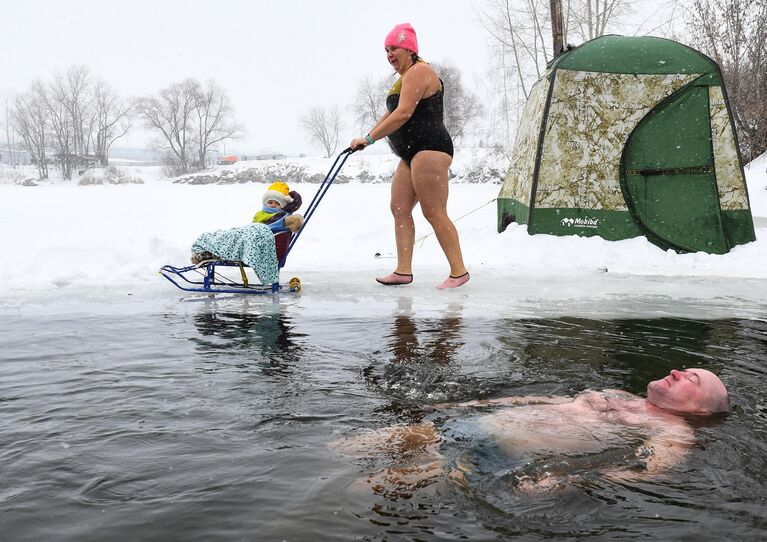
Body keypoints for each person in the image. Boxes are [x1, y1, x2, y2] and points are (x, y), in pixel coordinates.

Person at [331, 368, 729, 497]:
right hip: (471, 425)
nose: (676, 372)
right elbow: (540, 400)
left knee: (368, 487)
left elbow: (650, 469)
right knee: (342, 449)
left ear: (701, 408)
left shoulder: (672, 429)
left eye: (690, 378)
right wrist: (466, 407)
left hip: (500, 451)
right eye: (681, 368)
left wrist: (568, 479)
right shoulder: (619, 395)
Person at [349, 23, 469, 290]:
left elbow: (403, 114)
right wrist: (365, 139)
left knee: (434, 211)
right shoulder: (402, 80)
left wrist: (370, 139)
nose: (389, 54)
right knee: (400, 208)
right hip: (411, 153)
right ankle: (403, 271)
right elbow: (392, 114)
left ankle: (459, 271)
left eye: (394, 48)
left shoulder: (419, 71)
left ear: (410, 49)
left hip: (430, 149)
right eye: (386, 50)